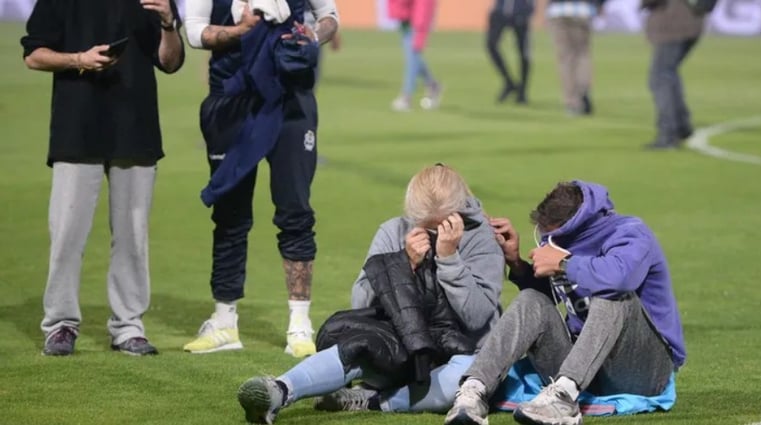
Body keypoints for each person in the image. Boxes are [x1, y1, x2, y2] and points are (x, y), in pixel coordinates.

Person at [236, 164, 505, 424]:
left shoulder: (482, 238)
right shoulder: (393, 231)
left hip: (462, 351)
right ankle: (279, 390)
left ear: (458, 213)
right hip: (405, 346)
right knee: (360, 345)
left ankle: (373, 401)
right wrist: (403, 264)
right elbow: (361, 304)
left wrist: (449, 259)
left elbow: (477, 317)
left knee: (463, 381)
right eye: (427, 226)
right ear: (412, 215)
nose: (435, 234)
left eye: (442, 225)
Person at [444, 181, 686, 425]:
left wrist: (564, 263)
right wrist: (516, 263)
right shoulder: (562, 243)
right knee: (531, 299)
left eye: (552, 234)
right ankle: (474, 392)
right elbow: (551, 300)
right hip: (582, 365)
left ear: (574, 228)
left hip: (643, 371)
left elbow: (619, 278)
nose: (546, 239)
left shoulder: (631, 233)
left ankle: (563, 399)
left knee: (613, 293)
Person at [20, 0, 184, 357]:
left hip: (136, 130)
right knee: (66, 233)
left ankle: (128, 327)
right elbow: (33, 55)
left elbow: (170, 62)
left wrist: (170, 23)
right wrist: (79, 59)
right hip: (76, 130)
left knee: (132, 236)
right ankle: (60, 324)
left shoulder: (152, 2)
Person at [181, 0, 339, 357]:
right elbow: (194, 30)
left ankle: (300, 326)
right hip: (231, 101)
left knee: (295, 210)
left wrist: (313, 34)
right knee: (229, 214)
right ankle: (224, 322)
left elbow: (330, 16)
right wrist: (240, 31)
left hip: (291, 100)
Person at [643, 0, 708, 149]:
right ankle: (681, 126)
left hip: (672, 24)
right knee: (668, 73)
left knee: (660, 77)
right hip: (692, 21)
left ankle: (668, 134)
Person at [547, 0, 606, 116]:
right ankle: (583, 90)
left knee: (566, 58)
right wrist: (599, 4)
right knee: (582, 54)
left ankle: (572, 102)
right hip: (582, 11)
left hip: (559, 11)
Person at [388, 0, 443, 112]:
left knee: (413, 53)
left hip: (416, 16)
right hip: (405, 14)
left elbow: (424, 5)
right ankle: (432, 85)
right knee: (413, 55)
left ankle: (406, 97)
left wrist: (420, 26)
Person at [486, 0, 535, 105]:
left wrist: (529, 10)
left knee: (523, 51)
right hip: (500, 11)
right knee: (491, 45)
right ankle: (509, 82)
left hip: (520, 11)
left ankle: (522, 91)